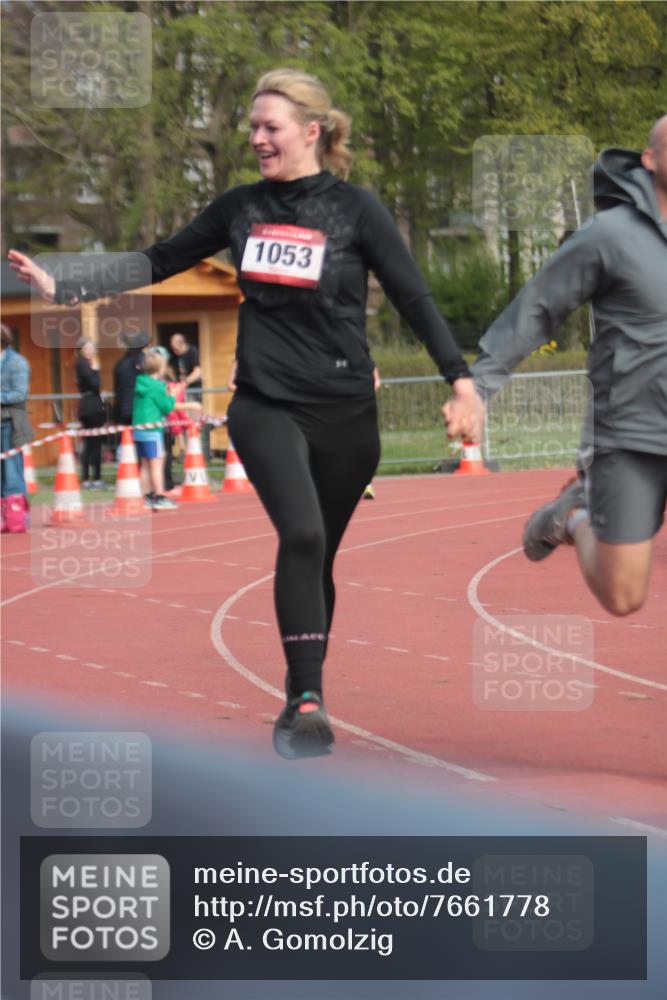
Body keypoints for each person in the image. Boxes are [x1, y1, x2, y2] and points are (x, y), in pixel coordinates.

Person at [8, 67, 483, 757]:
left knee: (317, 555)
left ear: (311, 132)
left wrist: (460, 382)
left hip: (347, 411)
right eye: (252, 128)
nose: (256, 139)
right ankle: (313, 698)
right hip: (265, 402)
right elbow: (158, 259)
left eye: (270, 127)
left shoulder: (357, 211)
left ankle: (299, 692)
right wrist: (66, 279)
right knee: (300, 533)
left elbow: (415, 299)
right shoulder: (241, 208)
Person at [469, 115, 667, 617]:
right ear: (650, 160)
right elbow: (538, 307)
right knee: (624, 596)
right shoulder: (610, 235)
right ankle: (572, 515)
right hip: (630, 429)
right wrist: (477, 387)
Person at [133, 351, 202, 510]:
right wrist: (173, 395)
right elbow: (167, 407)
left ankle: (146, 496)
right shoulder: (157, 386)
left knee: (144, 464)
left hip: (139, 428)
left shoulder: (139, 382)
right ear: (160, 368)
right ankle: (159, 496)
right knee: (157, 462)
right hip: (152, 428)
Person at [0, 324, 32, 533]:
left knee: (12, 472)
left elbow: (20, 393)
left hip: (11, 424)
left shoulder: (17, 362)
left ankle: (16, 517)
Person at [75, 338, 107, 488]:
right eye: (86, 349)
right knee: (93, 444)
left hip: (89, 405)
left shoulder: (83, 364)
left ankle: (89, 478)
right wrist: (96, 369)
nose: (89, 351)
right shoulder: (83, 364)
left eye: (92, 348)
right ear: (81, 350)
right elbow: (96, 384)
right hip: (91, 407)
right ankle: (93, 478)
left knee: (90, 444)